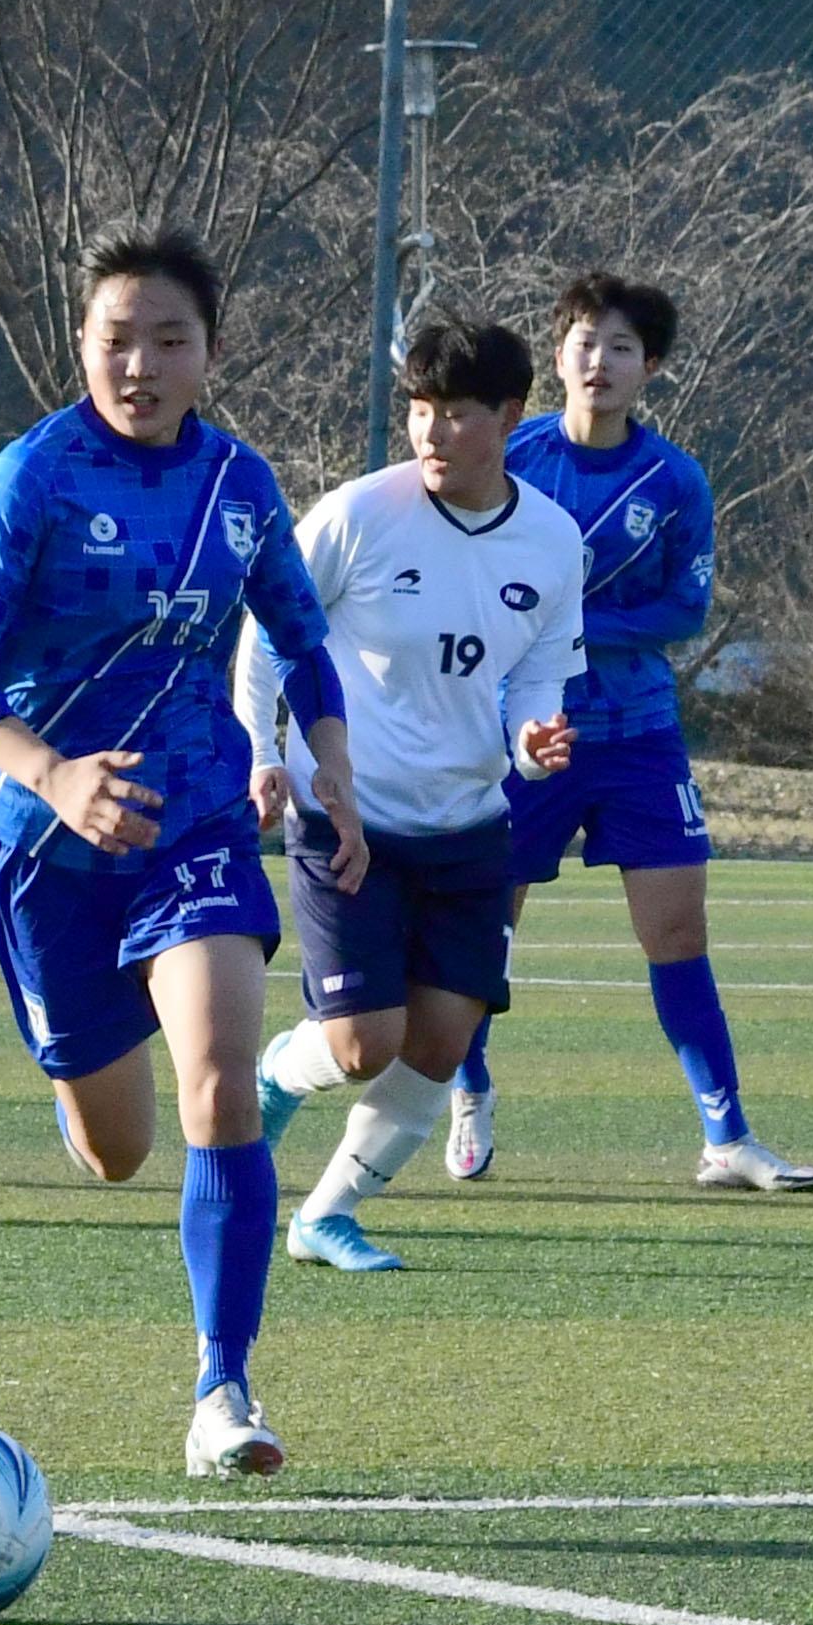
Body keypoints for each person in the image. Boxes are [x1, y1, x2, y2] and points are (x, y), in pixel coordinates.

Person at [0, 226, 362, 1477]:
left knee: (220, 1079)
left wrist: (335, 766)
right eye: (119, 338)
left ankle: (224, 1387)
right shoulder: (34, 477)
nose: (142, 362)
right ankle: (80, 1092)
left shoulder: (240, 484)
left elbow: (301, 638)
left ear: (210, 353)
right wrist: (52, 773)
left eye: (170, 339)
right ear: (84, 345)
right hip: (43, 844)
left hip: (199, 818)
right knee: (115, 1148)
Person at [450, 272, 813, 1194]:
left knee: (678, 933)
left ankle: (727, 1138)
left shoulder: (675, 478)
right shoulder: (513, 454)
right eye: (583, 342)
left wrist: (566, 623)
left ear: (648, 367)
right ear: (558, 357)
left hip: (638, 734)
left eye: (621, 348)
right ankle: (468, 1091)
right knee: (480, 930)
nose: (599, 362)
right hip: (523, 735)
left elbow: (682, 608)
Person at [234, 316, 585, 1270]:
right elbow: (268, 638)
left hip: (471, 821)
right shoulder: (356, 516)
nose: (430, 433)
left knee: (439, 1037)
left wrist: (534, 734)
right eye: (419, 410)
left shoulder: (553, 543)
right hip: (351, 816)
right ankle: (275, 1074)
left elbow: (542, 674)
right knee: (359, 1043)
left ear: (511, 418)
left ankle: (326, 1215)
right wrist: (259, 752)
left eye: (457, 413)